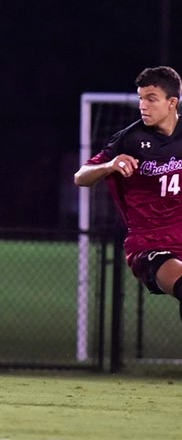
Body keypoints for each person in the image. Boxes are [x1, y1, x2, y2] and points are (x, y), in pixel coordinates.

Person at [75, 66, 182, 323]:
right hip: (149, 243)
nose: (143, 105)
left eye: (151, 99)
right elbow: (81, 176)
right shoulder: (130, 139)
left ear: (172, 103)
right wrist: (109, 166)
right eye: (140, 98)